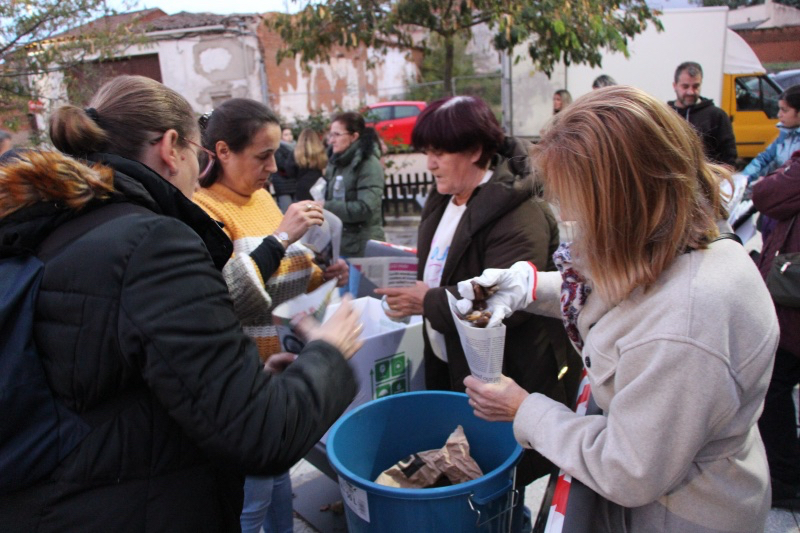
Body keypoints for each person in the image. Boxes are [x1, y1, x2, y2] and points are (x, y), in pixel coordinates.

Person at [0, 75, 362, 532]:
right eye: (199, 152)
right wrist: (330, 351)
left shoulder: (57, 225)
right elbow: (260, 435)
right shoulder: (151, 241)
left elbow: (104, 378)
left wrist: (233, 380)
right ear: (172, 148)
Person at [463, 86, 778, 532]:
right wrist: (530, 286)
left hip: (679, 515)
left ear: (621, 206)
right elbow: (627, 289)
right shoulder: (681, 232)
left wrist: (524, 409)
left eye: (578, 207)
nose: (568, 219)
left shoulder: (684, 328)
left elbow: (627, 469)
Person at [375, 95, 582, 532]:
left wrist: (428, 301)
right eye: (425, 151)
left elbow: (513, 305)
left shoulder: (518, 212)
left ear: (475, 151)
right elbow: (439, 263)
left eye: (439, 152)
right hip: (452, 357)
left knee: (502, 485)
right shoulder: (444, 197)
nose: (429, 163)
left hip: (506, 371)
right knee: (466, 471)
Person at [192, 98, 350, 533]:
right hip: (238, 380)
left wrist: (321, 275)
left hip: (273, 370)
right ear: (223, 151)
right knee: (252, 501)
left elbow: (279, 279)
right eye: (263, 156)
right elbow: (233, 295)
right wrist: (282, 236)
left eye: (275, 154)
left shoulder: (261, 198)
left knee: (279, 487)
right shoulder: (205, 210)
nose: (274, 168)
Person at [752, 149, 800, 510]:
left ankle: (785, 478)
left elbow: (766, 194)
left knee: (774, 386)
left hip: (792, 306)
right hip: (789, 298)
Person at [743, 85, 800, 240]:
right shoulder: (784, 135)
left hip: (791, 209)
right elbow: (764, 159)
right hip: (776, 202)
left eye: (785, 110)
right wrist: (743, 179)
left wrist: (768, 183)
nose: (779, 114)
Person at [324, 111, 385, 257]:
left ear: (354, 136)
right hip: (342, 244)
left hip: (362, 248)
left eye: (337, 135)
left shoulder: (368, 164)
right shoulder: (337, 163)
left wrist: (326, 207)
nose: (331, 140)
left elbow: (366, 208)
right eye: (330, 135)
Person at [667, 61, 737, 167]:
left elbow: (729, 158)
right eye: (685, 86)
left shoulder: (717, 116)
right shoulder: (665, 115)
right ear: (674, 86)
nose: (690, 92)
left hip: (708, 180)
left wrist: (715, 179)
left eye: (695, 86)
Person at [292, 128, 328, 202]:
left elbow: (290, 172)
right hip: (318, 186)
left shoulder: (295, 154)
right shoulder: (321, 151)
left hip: (301, 189)